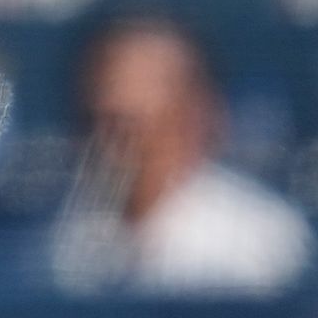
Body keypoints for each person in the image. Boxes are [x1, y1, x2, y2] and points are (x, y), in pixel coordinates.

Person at [43, 15, 311, 296]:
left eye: (129, 126)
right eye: (96, 121)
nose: (110, 144)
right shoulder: (55, 239)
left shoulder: (259, 240)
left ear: (194, 112)